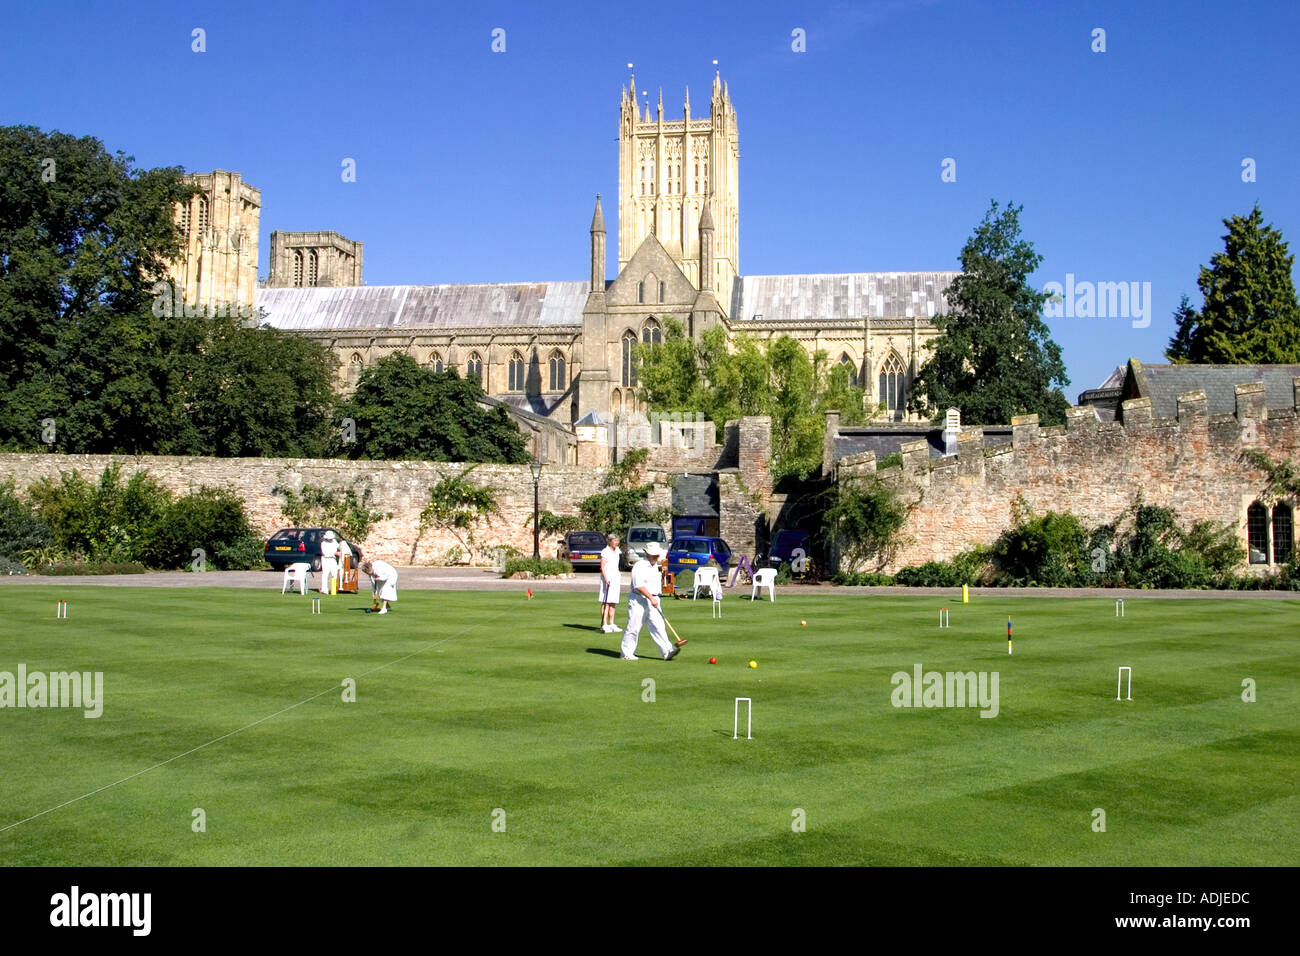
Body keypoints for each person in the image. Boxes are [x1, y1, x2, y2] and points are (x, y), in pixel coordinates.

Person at [621, 542, 684, 661]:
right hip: (639, 599)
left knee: (659, 626)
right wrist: (651, 598)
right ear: (647, 554)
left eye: (657, 555)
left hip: (653, 599)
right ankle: (626, 653)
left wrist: (654, 598)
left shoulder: (655, 565)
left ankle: (667, 651)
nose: (656, 557)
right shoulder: (639, 566)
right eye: (653, 555)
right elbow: (638, 586)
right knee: (634, 627)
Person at [598, 533, 621, 632]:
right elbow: (602, 567)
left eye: (617, 540)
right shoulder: (605, 551)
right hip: (607, 578)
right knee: (606, 601)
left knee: (613, 601)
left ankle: (611, 623)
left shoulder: (617, 551)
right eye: (615, 541)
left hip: (616, 577)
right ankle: (604, 624)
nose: (616, 542)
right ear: (610, 541)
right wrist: (606, 579)